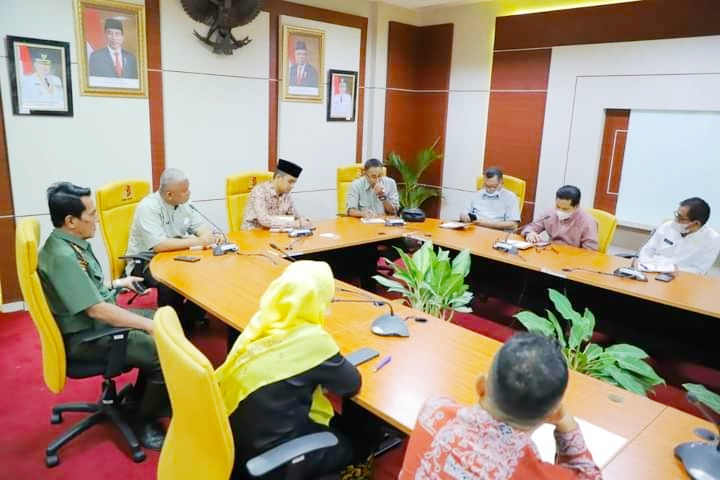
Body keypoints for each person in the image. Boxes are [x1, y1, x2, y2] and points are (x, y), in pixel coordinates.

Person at [38, 182, 169, 450]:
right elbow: (96, 309)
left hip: (92, 324)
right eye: (92, 214)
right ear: (71, 221)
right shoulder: (62, 256)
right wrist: (146, 326)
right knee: (161, 347)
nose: (97, 218)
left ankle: (137, 399)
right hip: (85, 338)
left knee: (163, 319)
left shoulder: (68, 244)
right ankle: (145, 421)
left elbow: (87, 290)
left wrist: (117, 284)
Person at [215, 261, 362, 479]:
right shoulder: (313, 341)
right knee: (357, 441)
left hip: (233, 443)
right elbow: (351, 385)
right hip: (271, 459)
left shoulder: (260, 324)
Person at [399, 333, 601, 479]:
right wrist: (567, 425)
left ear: (480, 386)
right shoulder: (533, 472)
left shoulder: (433, 410)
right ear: (552, 414)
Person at [125, 168, 222, 332]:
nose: (189, 193)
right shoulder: (148, 207)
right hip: (146, 261)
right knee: (170, 280)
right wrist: (198, 241)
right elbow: (159, 245)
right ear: (169, 194)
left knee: (209, 268)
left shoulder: (185, 204)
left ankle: (190, 317)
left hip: (177, 256)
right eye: (185, 191)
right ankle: (170, 327)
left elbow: (200, 228)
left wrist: (209, 238)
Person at [638, 197, 720, 275]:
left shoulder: (712, 239)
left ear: (696, 224)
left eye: (681, 218)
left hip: (680, 279)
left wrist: (667, 269)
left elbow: (699, 271)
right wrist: (645, 264)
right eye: (677, 214)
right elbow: (647, 250)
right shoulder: (667, 226)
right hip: (650, 271)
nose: (676, 220)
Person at [522, 185, 598, 251]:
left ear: (576, 206)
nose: (560, 211)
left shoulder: (587, 221)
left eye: (565, 209)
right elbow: (530, 227)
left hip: (573, 258)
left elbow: (590, 251)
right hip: (551, 253)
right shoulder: (549, 213)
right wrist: (529, 233)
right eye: (557, 207)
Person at [242, 159, 311, 230]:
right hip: (253, 234)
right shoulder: (259, 191)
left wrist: (302, 220)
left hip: (273, 233)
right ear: (278, 178)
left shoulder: (285, 194)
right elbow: (264, 220)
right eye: (290, 182)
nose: (292, 186)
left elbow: (295, 216)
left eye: (294, 183)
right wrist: (293, 223)